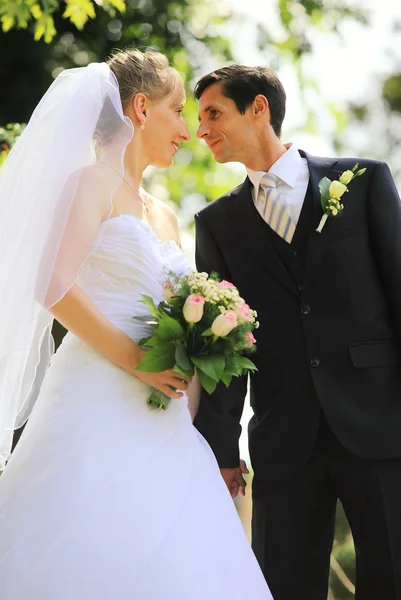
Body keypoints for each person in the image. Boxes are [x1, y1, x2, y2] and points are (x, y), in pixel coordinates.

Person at [0, 51, 272, 599]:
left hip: (168, 423)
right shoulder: (90, 183)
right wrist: (139, 364)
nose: (187, 130)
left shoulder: (166, 214)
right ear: (141, 107)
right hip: (95, 400)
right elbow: (52, 285)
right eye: (177, 111)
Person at [193, 64, 401, 600]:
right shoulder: (217, 224)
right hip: (284, 439)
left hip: (378, 424)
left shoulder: (364, 181)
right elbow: (225, 343)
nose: (202, 130)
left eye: (213, 113)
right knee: (281, 587)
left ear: (258, 109)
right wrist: (222, 449)